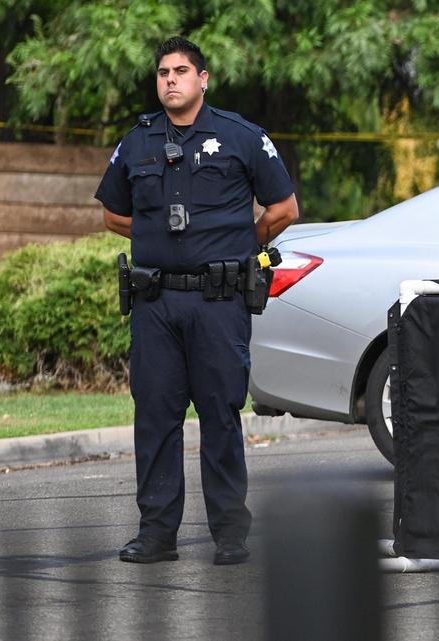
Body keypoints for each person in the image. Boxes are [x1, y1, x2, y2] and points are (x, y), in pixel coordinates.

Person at [95, 37, 299, 565]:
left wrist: (236, 245)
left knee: (220, 414)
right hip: (155, 302)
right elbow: (113, 214)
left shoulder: (241, 137)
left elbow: (283, 209)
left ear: (203, 79)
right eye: (163, 72)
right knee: (156, 417)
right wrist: (155, 239)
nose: (170, 80)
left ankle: (230, 533)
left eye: (181, 71)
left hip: (218, 300)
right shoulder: (136, 143)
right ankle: (157, 534)